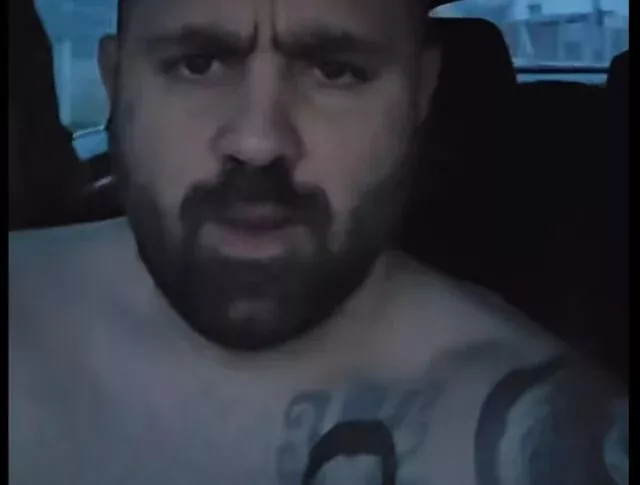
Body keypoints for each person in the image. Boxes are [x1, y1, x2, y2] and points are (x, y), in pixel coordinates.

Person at [9, 0, 627, 484]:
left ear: (421, 94)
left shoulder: (541, 436)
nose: (258, 141)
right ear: (115, 82)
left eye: (336, 70)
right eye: (197, 63)